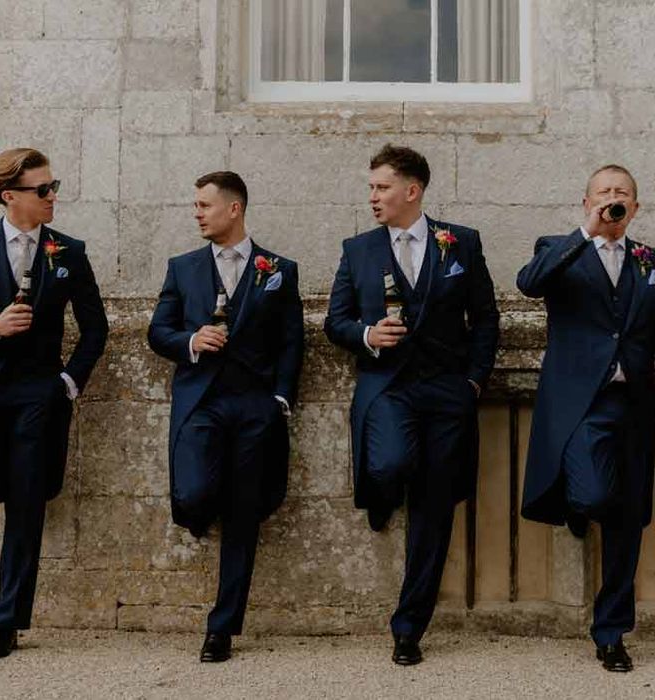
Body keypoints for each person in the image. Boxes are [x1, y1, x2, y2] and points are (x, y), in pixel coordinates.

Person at [0, 148, 108, 660]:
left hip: (39, 396)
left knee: (26, 508)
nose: (54, 196)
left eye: (54, 186)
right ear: (10, 196)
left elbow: (95, 327)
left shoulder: (68, 251)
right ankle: (22, 480)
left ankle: (5, 623)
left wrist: (69, 383)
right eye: (43, 189)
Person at [324, 144, 499, 665]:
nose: (373, 197)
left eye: (381, 187)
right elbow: (336, 321)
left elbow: (485, 318)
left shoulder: (461, 243)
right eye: (372, 188)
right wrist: (369, 333)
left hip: (448, 392)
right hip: (388, 388)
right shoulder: (358, 249)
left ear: (412, 191)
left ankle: (409, 627)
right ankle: (382, 491)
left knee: (434, 508)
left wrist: (473, 381)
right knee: (390, 463)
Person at [147, 171, 304, 662]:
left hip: (255, 407)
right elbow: (158, 331)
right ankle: (197, 512)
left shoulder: (278, 268)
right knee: (193, 493)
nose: (197, 212)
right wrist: (191, 341)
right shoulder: (183, 268)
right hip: (201, 402)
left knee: (244, 515)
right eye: (195, 205)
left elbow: (291, 340)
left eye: (204, 205)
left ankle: (222, 627)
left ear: (233, 209)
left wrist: (280, 398)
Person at [518, 164, 653, 672]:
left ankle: (612, 632)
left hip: (636, 403)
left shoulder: (649, 261)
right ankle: (577, 503)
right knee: (596, 495)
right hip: (581, 405)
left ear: (636, 208)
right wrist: (588, 233)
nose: (613, 199)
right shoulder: (559, 248)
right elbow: (530, 283)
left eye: (622, 194)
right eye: (604, 193)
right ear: (586, 202)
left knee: (628, 519)